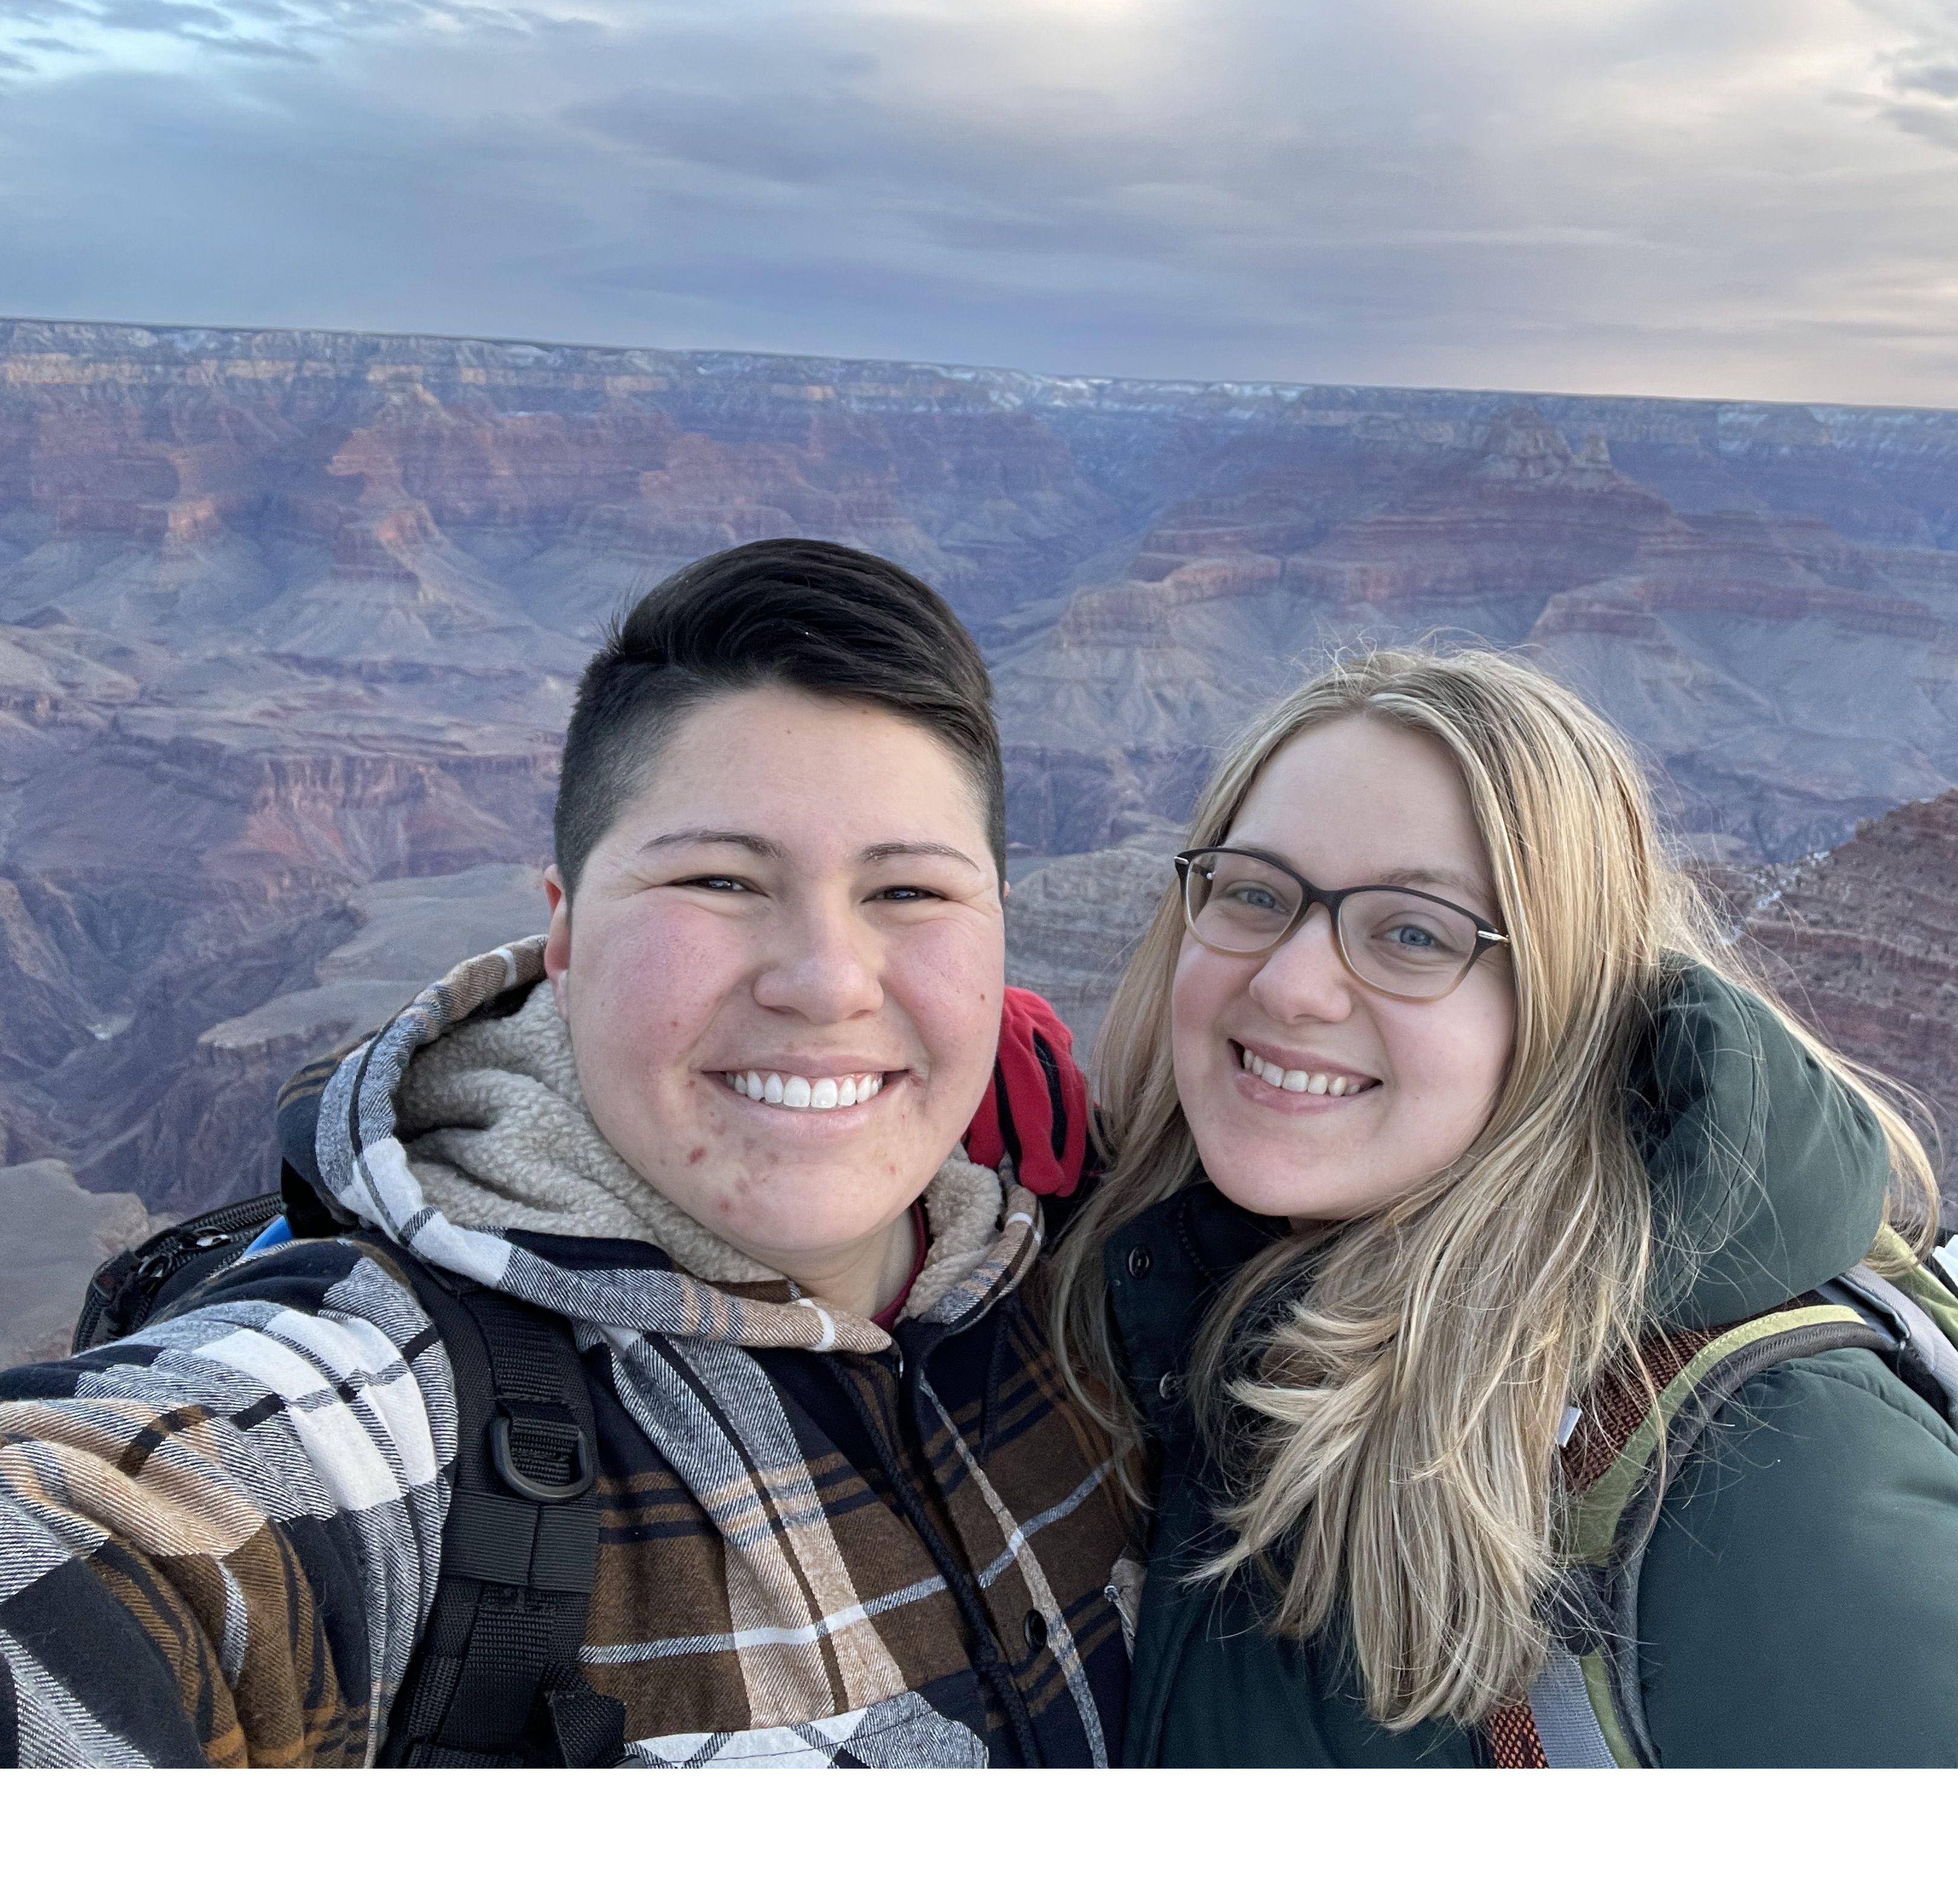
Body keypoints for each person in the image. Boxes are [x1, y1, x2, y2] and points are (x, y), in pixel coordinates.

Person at [0, 539, 1132, 1767]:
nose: (824, 981)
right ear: (566, 932)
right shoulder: (388, 1401)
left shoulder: (1108, 1307)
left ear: (1001, 936)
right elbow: (94, 1547)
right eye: (719, 878)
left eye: (910, 894)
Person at [1049, 644, 1958, 1767]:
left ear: (1560, 1004)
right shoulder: (1184, 1296)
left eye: (1413, 932)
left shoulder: (1776, 1475)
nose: (1287, 983)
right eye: (1255, 895)